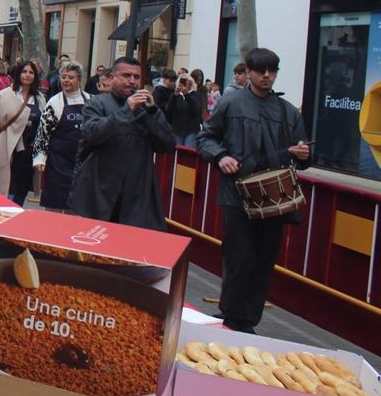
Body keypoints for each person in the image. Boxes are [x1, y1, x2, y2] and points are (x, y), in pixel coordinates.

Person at [197, 47, 309, 334]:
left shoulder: (287, 111)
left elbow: (303, 155)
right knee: (239, 256)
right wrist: (221, 156)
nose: (267, 76)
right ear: (248, 72)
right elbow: (205, 138)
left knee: (263, 259)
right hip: (237, 194)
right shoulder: (231, 104)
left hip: (274, 198)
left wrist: (303, 154)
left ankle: (246, 320)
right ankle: (233, 316)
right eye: (261, 71)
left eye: (272, 71)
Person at [68, 56, 176, 230]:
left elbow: (168, 143)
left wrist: (154, 111)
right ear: (112, 78)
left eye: (136, 77)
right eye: (126, 76)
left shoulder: (146, 108)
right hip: (101, 192)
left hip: (137, 195)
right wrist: (127, 110)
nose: (132, 81)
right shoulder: (97, 103)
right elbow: (93, 133)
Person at [0, 59, 46, 204]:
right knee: (6, 186)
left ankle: (17, 211)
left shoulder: (40, 99)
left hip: (29, 150)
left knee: (22, 188)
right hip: (7, 147)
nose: (27, 75)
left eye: (31, 72)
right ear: (18, 74)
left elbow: (44, 127)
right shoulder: (4, 95)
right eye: (24, 72)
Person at [32, 61, 89, 210]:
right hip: (58, 162)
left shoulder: (91, 101)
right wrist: (40, 158)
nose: (66, 80)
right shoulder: (54, 102)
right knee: (54, 206)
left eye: (71, 77)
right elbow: (43, 132)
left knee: (77, 207)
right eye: (63, 77)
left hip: (82, 162)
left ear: (79, 80)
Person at [168, 71, 205, 147]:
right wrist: (174, 95)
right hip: (177, 130)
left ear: (191, 83)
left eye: (186, 81)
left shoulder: (196, 95)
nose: (184, 83)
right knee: (178, 153)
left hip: (192, 130)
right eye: (181, 81)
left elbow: (196, 109)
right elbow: (168, 109)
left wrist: (186, 94)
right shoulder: (176, 96)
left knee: (188, 153)